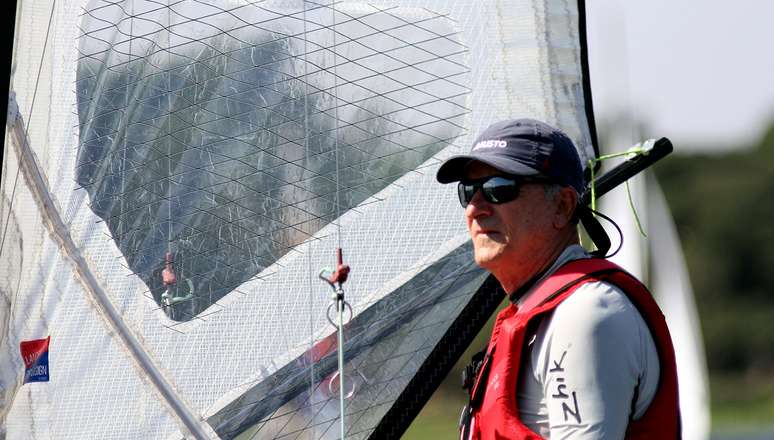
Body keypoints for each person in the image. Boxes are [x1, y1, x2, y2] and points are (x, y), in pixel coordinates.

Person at [436, 119, 680, 439]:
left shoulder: (586, 313)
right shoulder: (543, 312)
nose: (475, 208)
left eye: (499, 189)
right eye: (468, 191)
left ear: (563, 206)